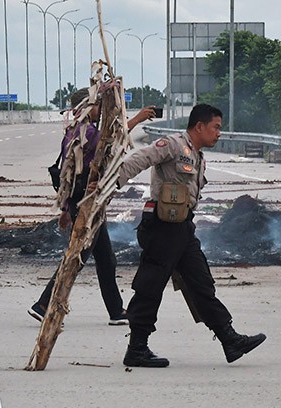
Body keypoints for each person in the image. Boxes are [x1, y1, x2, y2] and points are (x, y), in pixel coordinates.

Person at [115, 103, 266, 368]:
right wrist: (112, 182)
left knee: (201, 283)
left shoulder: (197, 156)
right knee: (151, 285)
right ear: (199, 126)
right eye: (216, 127)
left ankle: (229, 339)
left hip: (182, 228)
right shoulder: (173, 145)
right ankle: (136, 348)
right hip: (162, 227)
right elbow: (140, 158)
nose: (219, 133)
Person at [28, 88, 158, 326]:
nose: (100, 110)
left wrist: (66, 209)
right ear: (87, 108)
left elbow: (68, 175)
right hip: (87, 204)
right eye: (97, 106)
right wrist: (138, 119)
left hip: (85, 203)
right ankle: (44, 303)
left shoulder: (73, 132)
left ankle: (116, 311)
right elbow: (113, 141)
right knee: (76, 257)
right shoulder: (86, 132)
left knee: (106, 259)